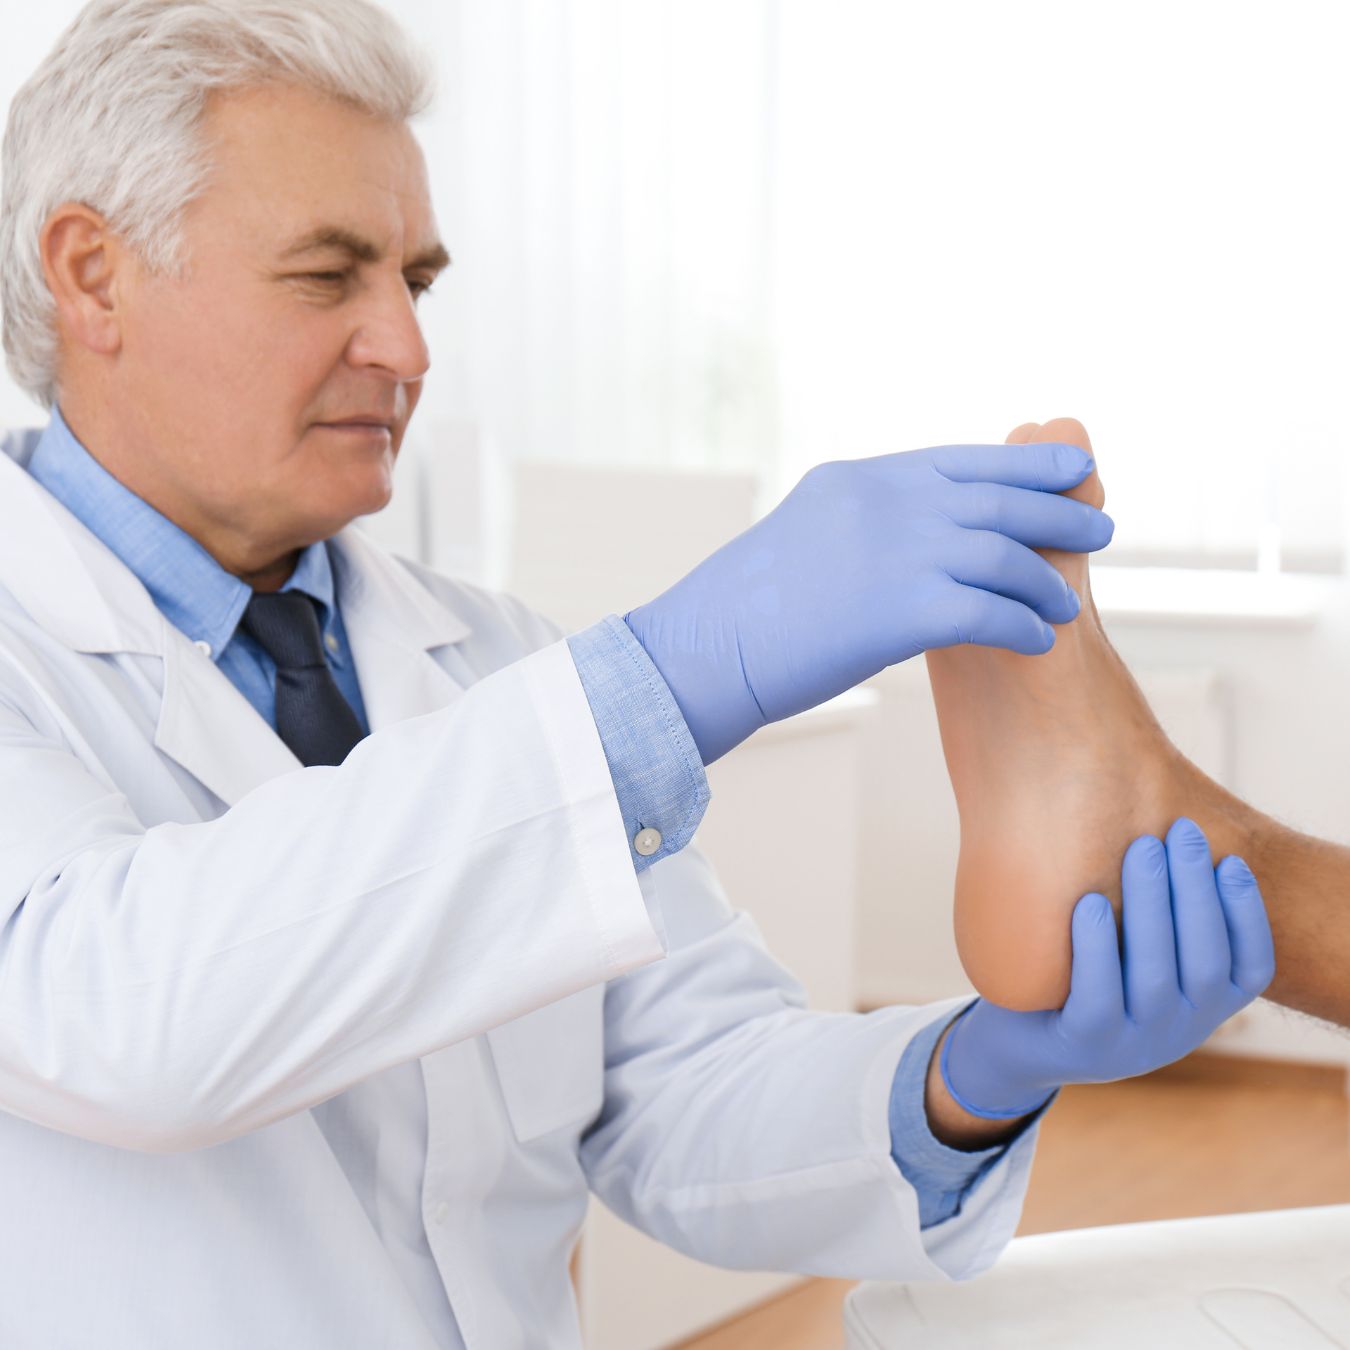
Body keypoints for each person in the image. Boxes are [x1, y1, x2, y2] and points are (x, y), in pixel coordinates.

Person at [0, 3, 1270, 1346]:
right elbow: (127, 1012)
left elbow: (681, 1093)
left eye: (416, 284)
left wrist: (974, 1073)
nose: (408, 348)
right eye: (329, 276)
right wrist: (659, 683)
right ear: (91, 274)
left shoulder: (488, 655)